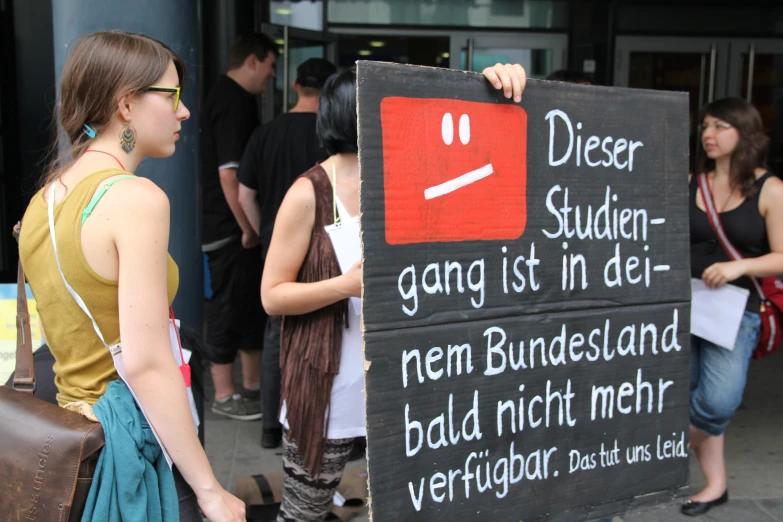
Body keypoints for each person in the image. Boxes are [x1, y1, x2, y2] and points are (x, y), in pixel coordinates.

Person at [261, 63, 528, 522]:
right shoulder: (309, 192)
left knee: (410, 506)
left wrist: (495, 82)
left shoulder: (411, 179)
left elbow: (480, 157)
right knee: (305, 511)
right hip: (328, 386)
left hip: (410, 387)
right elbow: (272, 295)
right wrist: (345, 286)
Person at [17, 31, 244, 521]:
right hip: (135, 448)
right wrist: (209, 490)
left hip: (74, 439)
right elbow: (144, 364)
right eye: (173, 96)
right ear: (125, 104)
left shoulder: (44, 199)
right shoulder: (136, 199)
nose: (184, 112)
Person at [685, 97, 783, 516]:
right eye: (705, 125)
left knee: (719, 400)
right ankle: (716, 485)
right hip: (686, 306)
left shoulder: (770, 188)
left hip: (737, 310)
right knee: (685, 392)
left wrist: (736, 266)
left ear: (744, 132)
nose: (708, 134)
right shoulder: (691, 181)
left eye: (720, 126)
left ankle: (658, 443)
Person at [238, 57, 337, 448]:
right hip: (329, 248)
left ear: (295, 86)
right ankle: (326, 428)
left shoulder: (265, 133)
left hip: (275, 249)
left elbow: (245, 194)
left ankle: (269, 430)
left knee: (276, 331)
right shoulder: (332, 137)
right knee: (329, 328)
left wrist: (259, 231)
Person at [201, 33, 277, 420]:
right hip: (227, 229)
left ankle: (248, 389)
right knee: (228, 307)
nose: (272, 76)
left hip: (231, 227)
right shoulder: (231, 102)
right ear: (252, 60)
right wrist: (248, 226)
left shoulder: (234, 98)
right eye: (270, 66)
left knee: (246, 305)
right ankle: (224, 394)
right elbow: (229, 176)